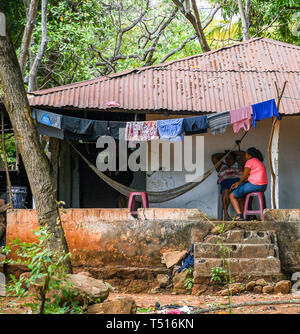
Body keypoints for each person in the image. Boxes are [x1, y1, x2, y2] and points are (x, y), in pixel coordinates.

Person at [229, 147, 268, 221]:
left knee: (231, 195)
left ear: (249, 155)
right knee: (245, 192)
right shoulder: (259, 162)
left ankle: (239, 215)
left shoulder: (250, 161)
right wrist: (240, 183)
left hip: (255, 185)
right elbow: (249, 177)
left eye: (246, 154)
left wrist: (238, 183)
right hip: (263, 186)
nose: (245, 156)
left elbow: (244, 176)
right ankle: (250, 215)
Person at [212, 151, 245, 221]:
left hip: (237, 183)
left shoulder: (239, 164)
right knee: (225, 193)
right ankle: (226, 215)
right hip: (225, 183)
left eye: (231, 158)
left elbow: (244, 154)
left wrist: (232, 152)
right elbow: (214, 157)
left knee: (239, 194)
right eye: (227, 158)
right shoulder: (221, 166)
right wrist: (225, 154)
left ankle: (241, 215)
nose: (228, 160)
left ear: (235, 159)